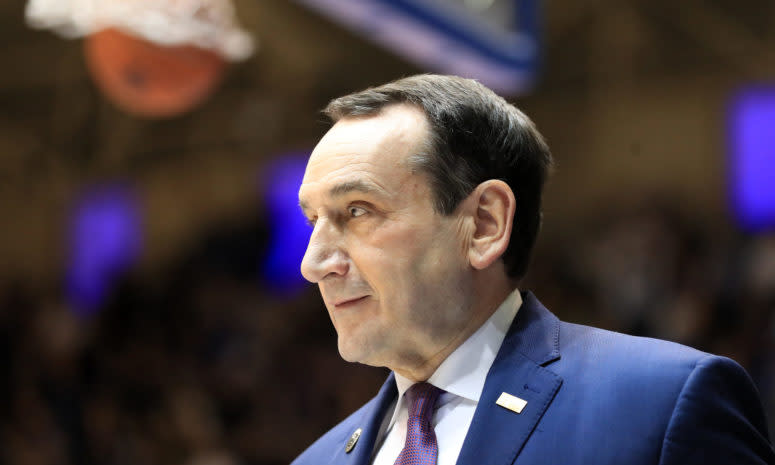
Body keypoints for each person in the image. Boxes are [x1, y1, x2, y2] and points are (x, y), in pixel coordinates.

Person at [292, 74, 775, 465]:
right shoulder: (317, 459)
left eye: (357, 211)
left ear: (484, 224)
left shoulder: (660, 405)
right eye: (313, 220)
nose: (313, 264)